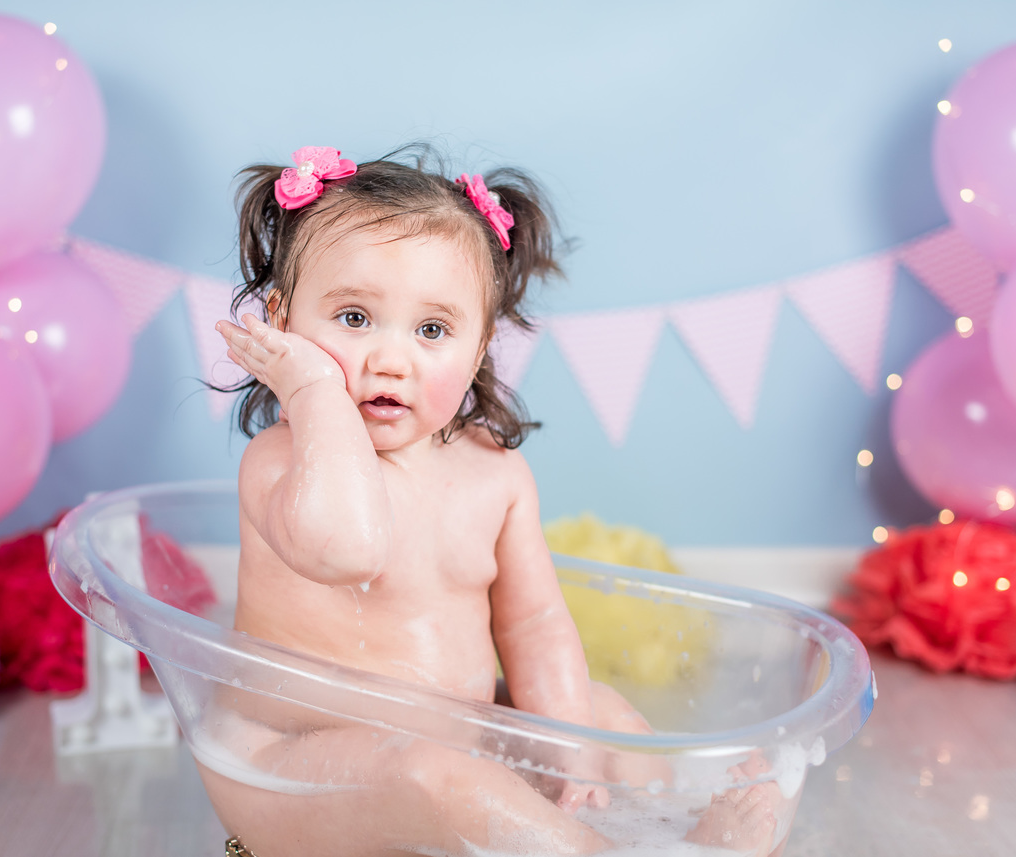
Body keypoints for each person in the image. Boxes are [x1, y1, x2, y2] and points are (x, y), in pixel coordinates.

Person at [213, 145, 781, 857]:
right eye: (353, 318)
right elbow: (347, 547)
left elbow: (535, 624)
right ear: (280, 323)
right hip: (293, 768)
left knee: (596, 712)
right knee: (430, 773)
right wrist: (312, 391)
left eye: (432, 331)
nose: (390, 360)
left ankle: (675, 828)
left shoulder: (493, 475)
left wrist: (569, 747)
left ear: (480, 347)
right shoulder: (283, 462)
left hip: (457, 740)